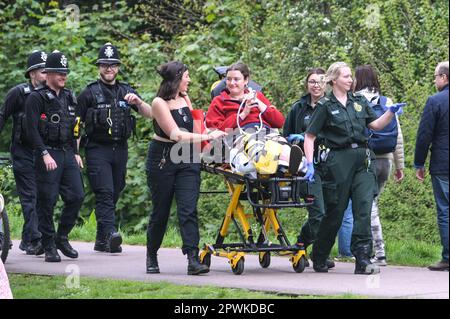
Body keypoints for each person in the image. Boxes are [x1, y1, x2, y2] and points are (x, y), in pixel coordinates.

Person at [303, 61, 405, 274]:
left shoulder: (359, 101)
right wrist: (309, 164)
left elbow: (375, 125)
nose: (351, 80)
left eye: (351, 76)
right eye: (346, 76)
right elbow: (310, 136)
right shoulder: (325, 106)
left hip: (363, 159)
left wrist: (390, 113)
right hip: (338, 161)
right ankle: (320, 255)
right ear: (334, 80)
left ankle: (363, 258)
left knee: (363, 208)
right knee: (335, 212)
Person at [146, 61, 226, 275]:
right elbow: (176, 135)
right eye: (187, 76)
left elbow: (194, 126)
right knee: (160, 211)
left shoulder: (184, 98)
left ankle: (192, 258)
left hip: (187, 158)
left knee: (188, 209)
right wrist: (207, 135)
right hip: (163, 158)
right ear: (176, 79)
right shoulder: (159, 103)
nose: (189, 80)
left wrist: (210, 141)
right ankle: (152, 254)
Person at [77, 43, 153, 254]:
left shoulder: (126, 91)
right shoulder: (89, 93)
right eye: (104, 65)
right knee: (104, 192)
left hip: (120, 149)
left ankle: (101, 240)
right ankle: (111, 234)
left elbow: (151, 113)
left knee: (115, 190)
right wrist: (75, 153)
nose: (108, 69)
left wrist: (138, 102)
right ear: (99, 67)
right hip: (96, 149)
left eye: (112, 65)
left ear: (118, 67)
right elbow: (75, 125)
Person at [336, 65, 406, 266]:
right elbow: (398, 136)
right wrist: (400, 165)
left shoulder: (354, 100)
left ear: (357, 80)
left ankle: (379, 252)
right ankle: (369, 250)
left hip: (365, 159)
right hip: (386, 160)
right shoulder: (387, 102)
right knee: (371, 203)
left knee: (369, 207)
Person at [25, 50, 85, 262]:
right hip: (46, 153)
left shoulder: (69, 96)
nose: (63, 76)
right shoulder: (36, 98)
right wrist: (44, 153)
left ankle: (61, 236)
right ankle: (49, 244)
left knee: (77, 196)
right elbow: (31, 130)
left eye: (65, 72)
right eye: (59, 72)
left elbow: (74, 128)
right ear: (48, 74)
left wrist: (76, 153)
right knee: (47, 201)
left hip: (67, 153)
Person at [283, 68, 334, 268]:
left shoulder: (332, 106)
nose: (316, 85)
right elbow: (285, 135)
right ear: (307, 84)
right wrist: (296, 140)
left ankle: (320, 253)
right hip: (307, 168)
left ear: (326, 84)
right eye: (312, 81)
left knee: (332, 213)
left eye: (320, 82)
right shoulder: (298, 108)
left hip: (330, 164)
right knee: (318, 212)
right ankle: (302, 241)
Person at [0, 50, 47, 255]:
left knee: (44, 196)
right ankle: (36, 240)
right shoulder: (18, 93)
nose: (47, 74)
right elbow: (2, 117)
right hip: (22, 151)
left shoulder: (50, 94)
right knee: (30, 196)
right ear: (32, 73)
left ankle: (27, 239)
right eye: (43, 70)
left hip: (44, 152)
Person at [414, 61, 449, 271]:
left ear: (444, 77)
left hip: (443, 165)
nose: (435, 80)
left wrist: (419, 163)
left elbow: (424, 134)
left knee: (445, 210)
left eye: (436, 77)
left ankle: (447, 257)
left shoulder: (435, 101)